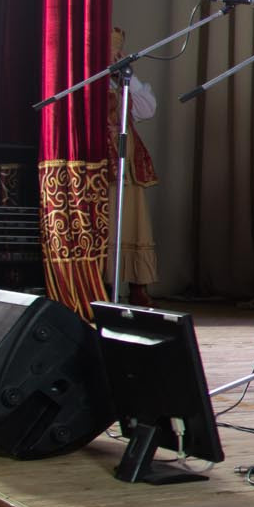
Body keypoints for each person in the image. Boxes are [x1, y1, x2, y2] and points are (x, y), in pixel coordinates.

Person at [109, 26, 158, 307]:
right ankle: (103, 284)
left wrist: (128, 77)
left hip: (127, 160)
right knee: (108, 223)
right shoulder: (89, 80)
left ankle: (138, 285)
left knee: (134, 222)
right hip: (99, 161)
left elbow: (147, 109)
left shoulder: (123, 82)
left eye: (117, 49)